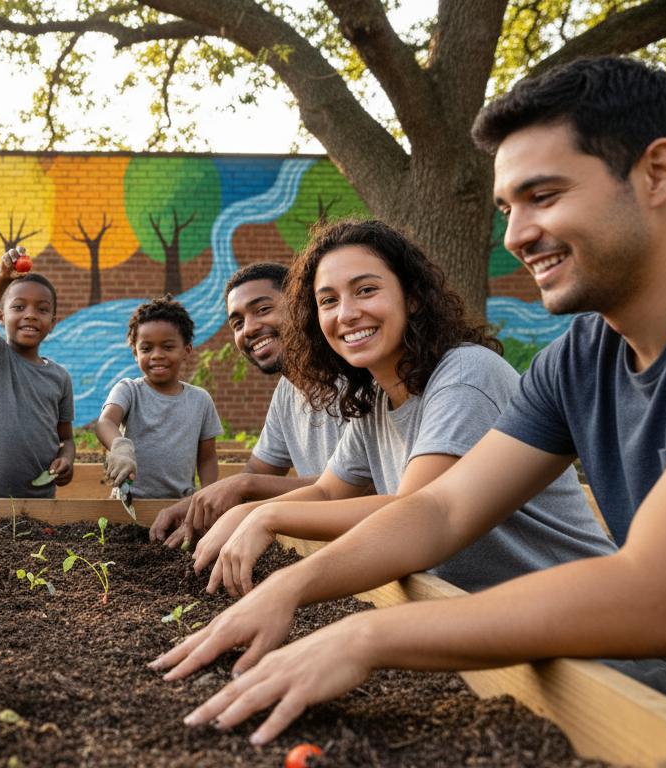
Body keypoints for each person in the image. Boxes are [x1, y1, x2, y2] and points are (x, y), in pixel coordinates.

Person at [151, 56, 666, 741]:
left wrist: (368, 637)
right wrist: (292, 586)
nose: (516, 236)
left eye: (544, 196)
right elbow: (441, 508)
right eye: (508, 208)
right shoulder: (579, 358)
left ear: (658, 173)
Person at [195, 219, 614, 597]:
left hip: (585, 620)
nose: (347, 313)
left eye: (366, 290)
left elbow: (412, 511)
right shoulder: (376, 399)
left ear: (412, 298)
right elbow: (327, 491)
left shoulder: (464, 374)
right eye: (328, 301)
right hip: (474, 616)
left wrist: (268, 518)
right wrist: (247, 512)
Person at [149, 263, 342, 547]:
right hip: (327, 543)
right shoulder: (286, 392)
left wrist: (243, 487)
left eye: (263, 309)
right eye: (237, 323)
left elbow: (354, 485)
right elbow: (258, 472)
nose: (249, 329)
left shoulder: (354, 382)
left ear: (301, 305)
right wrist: (190, 505)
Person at [0, 248, 75, 498]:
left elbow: (66, 438)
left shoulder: (60, 377)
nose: (30, 315)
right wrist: (1, 277)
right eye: (19, 307)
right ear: (0, 317)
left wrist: (66, 458)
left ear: (53, 322)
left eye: (42, 310)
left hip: (39, 500)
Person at [96, 296, 221, 499]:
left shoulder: (201, 400)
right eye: (146, 349)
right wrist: (119, 448)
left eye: (168, 347)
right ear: (135, 353)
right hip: (128, 503)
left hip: (179, 505)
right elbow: (106, 422)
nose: (157, 355)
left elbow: (207, 458)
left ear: (186, 350)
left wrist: (207, 495)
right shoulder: (129, 390)